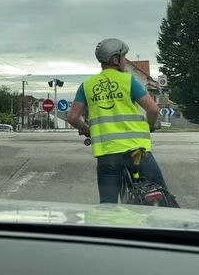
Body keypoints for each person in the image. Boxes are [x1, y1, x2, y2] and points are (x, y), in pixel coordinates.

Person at [67, 38, 168, 203]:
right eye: (123, 57)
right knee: (158, 192)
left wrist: (87, 130)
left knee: (108, 206)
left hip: (107, 155)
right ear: (115, 59)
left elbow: (72, 117)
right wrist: (150, 125)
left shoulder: (87, 85)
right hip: (137, 152)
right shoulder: (128, 81)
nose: (125, 62)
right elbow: (153, 109)